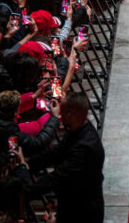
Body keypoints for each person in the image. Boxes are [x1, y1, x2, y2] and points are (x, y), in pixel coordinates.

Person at [15, 92, 105, 223]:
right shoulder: (78, 129)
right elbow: (54, 154)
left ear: (70, 114)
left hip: (82, 211)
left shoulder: (85, 147)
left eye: (61, 111)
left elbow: (57, 178)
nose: (59, 114)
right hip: (72, 201)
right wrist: (29, 165)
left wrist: (25, 183)